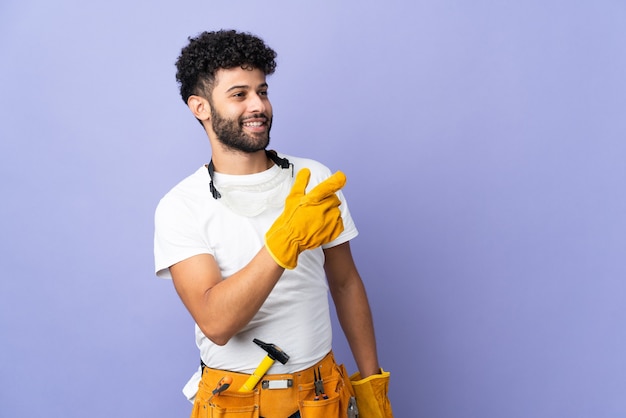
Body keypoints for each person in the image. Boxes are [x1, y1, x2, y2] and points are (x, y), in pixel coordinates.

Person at [154, 29, 393, 418]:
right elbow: (217, 322)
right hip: (237, 403)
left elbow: (346, 282)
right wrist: (283, 243)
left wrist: (372, 388)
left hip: (322, 396)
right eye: (239, 94)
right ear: (200, 107)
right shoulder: (181, 205)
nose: (258, 106)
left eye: (262, 91)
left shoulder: (313, 179)